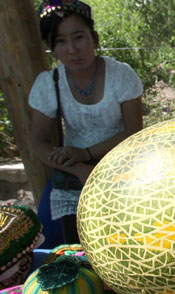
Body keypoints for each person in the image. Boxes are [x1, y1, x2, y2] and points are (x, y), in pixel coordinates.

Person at [29, 0, 143, 243]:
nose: (72, 49)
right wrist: (79, 167)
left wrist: (86, 152)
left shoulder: (121, 76)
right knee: (53, 244)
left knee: (130, 239)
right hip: (73, 173)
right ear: (52, 47)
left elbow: (134, 131)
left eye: (79, 37)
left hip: (122, 166)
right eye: (60, 41)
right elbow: (38, 142)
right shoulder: (49, 83)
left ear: (94, 38)